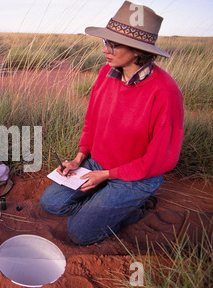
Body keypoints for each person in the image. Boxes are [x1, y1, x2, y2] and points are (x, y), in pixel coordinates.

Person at [40, 1, 184, 245]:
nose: (105, 49)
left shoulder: (165, 91)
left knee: (80, 232)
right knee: (51, 203)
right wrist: (79, 157)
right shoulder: (106, 74)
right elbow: (92, 121)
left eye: (112, 44)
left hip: (137, 177)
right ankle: (106, 203)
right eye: (104, 42)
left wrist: (108, 175)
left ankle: (131, 207)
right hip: (99, 163)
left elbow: (160, 160)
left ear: (137, 50)